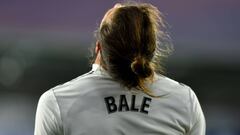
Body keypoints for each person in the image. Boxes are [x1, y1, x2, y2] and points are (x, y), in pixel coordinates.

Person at [34, 2, 206, 135]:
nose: (117, 4)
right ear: (151, 51)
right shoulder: (184, 101)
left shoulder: (57, 103)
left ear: (99, 47)